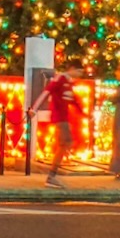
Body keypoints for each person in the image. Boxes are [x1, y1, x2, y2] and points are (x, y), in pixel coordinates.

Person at [28, 60, 82, 188]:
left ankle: (52, 175)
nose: (80, 75)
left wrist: (83, 113)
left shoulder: (68, 82)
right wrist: (34, 109)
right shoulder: (60, 79)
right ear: (72, 68)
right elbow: (47, 92)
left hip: (64, 118)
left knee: (64, 144)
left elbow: (73, 99)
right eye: (79, 71)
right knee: (65, 143)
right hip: (60, 118)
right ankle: (51, 176)